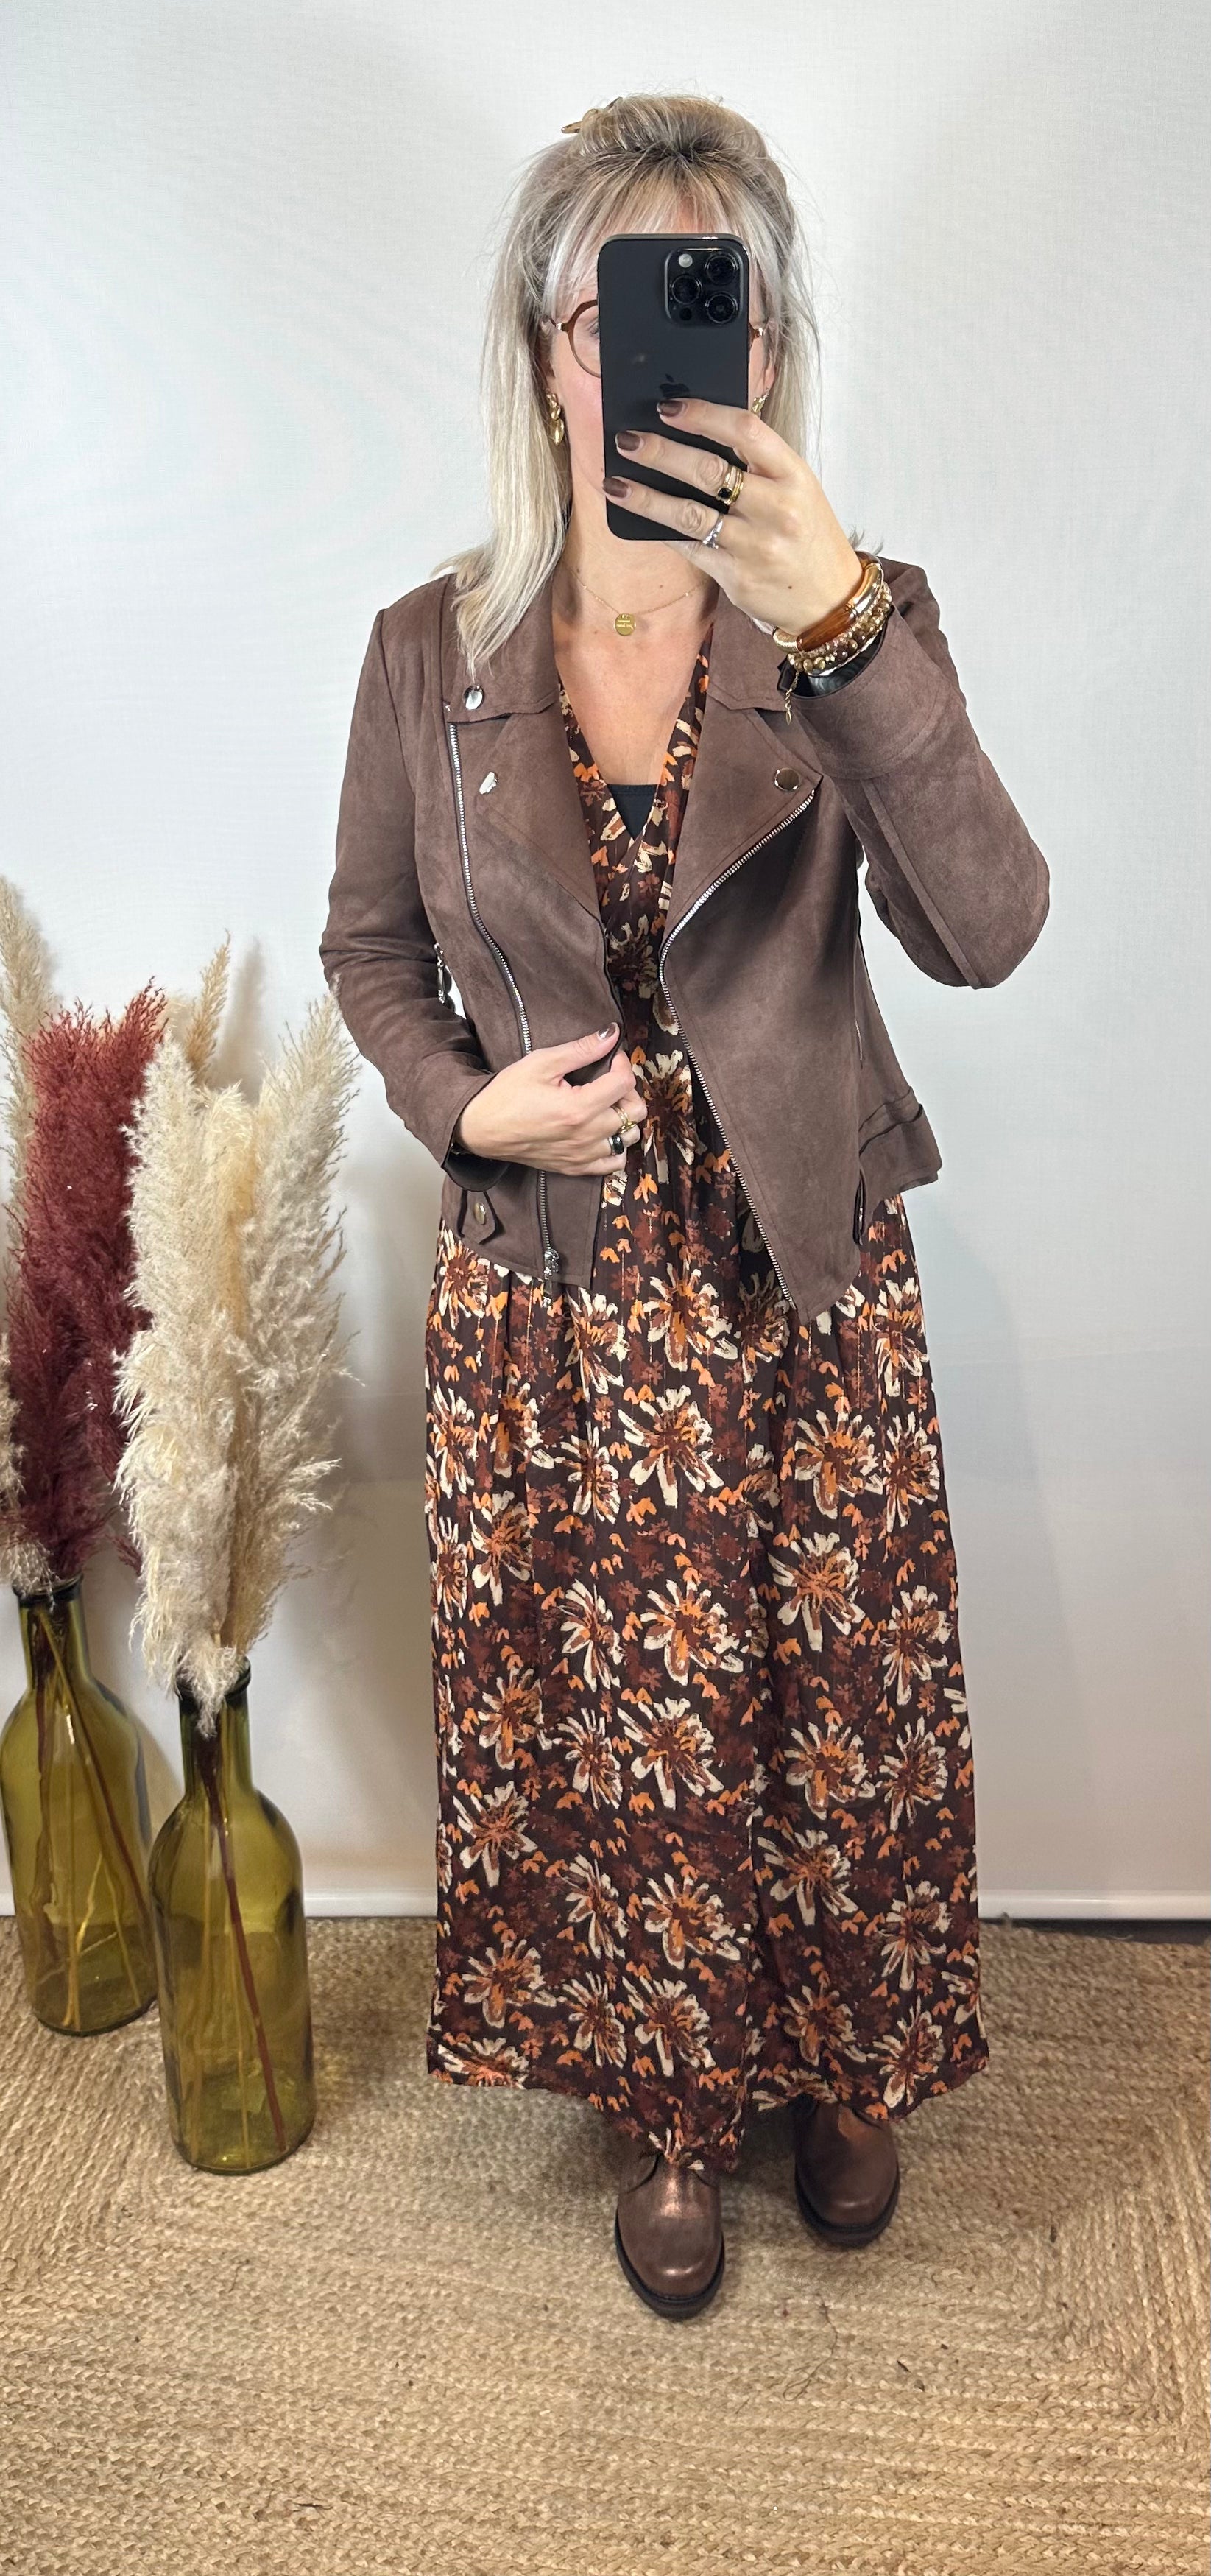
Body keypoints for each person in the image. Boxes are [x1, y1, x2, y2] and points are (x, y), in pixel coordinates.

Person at [319, 93, 1049, 2321]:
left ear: (767, 346)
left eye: (710, 305)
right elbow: (369, 949)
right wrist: (467, 1109)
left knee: (836, 1694)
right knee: (619, 1724)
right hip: (560, 1300)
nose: (655, 357)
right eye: (613, 309)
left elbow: (991, 928)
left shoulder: (853, 625)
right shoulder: (427, 650)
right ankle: (663, 2102)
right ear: (546, 351)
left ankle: (840, 2063)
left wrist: (840, 625)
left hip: (799, 1273)